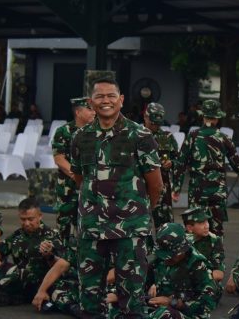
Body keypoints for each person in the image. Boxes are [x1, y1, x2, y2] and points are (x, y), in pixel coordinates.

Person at [70, 77, 163, 318]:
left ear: (120, 100)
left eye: (111, 95)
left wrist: (140, 211)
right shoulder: (81, 137)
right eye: (99, 96)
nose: (106, 101)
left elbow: (156, 184)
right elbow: (80, 178)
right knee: (89, 299)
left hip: (129, 230)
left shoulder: (140, 135)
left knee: (131, 301)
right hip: (92, 228)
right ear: (91, 102)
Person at [172, 99, 239, 236]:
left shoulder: (192, 137)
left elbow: (180, 164)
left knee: (195, 229)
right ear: (217, 118)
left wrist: (176, 189)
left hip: (197, 191)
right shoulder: (224, 138)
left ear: (203, 116)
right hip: (217, 191)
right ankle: (216, 257)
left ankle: (197, 256)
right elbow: (238, 165)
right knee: (216, 231)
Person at [0, 197, 61, 306]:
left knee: (19, 272)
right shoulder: (17, 235)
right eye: (23, 219)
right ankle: (6, 294)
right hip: (17, 280)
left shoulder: (53, 236)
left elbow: (63, 266)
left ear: (40, 216)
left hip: (40, 283)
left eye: (31, 219)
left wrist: (49, 255)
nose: (27, 223)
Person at [146, 223, 218, 319]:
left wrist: (173, 302)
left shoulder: (198, 265)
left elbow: (207, 302)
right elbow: (142, 288)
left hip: (190, 315)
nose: (166, 260)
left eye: (171, 256)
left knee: (165, 314)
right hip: (160, 310)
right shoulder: (160, 261)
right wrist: (149, 295)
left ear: (182, 250)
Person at [52, 97, 96, 241]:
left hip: (91, 188)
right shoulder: (64, 131)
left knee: (89, 226)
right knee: (64, 227)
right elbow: (59, 159)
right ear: (78, 112)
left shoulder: (97, 132)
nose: (94, 112)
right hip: (68, 188)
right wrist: (77, 175)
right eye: (89, 109)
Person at [144, 102, 179, 229]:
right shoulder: (137, 135)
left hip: (162, 189)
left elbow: (179, 160)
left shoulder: (166, 137)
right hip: (141, 188)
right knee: (141, 227)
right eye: (152, 123)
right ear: (145, 117)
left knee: (165, 227)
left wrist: (171, 163)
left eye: (158, 124)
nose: (155, 126)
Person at [181, 207, 225, 301]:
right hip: (181, 279)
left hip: (203, 279)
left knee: (214, 291)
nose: (207, 226)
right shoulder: (180, 241)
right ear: (189, 228)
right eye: (201, 223)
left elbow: (218, 273)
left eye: (207, 222)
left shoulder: (214, 240)